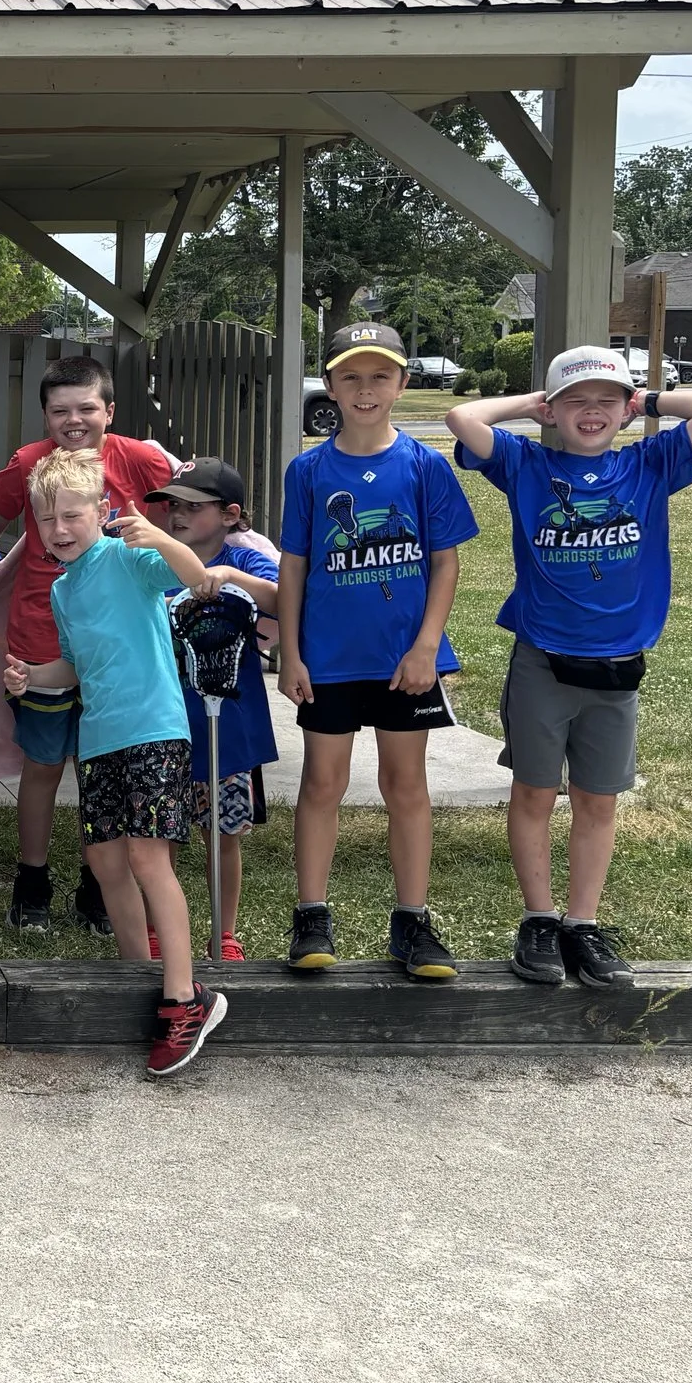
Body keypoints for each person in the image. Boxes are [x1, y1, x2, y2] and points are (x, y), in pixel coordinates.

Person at [446, 347, 692, 989]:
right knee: (533, 791)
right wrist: (533, 407)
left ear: (627, 410)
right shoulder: (528, 465)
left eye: (607, 400)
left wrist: (649, 403)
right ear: (553, 411)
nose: (592, 412)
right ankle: (540, 919)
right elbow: (463, 417)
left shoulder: (649, 464)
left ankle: (583, 922)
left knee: (597, 799)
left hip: (616, 669)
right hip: (542, 662)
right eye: (576, 400)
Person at [3, 449, 226, 1078]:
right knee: (104, 859)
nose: (60, 529)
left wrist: (156, 533)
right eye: (46, 520)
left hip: (155, 728)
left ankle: (184, 998)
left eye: (72, 515)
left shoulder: (130, 558)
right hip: (99, 738)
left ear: (101, 511)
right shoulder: (63, 589)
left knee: (147, 857)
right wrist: (29, 678)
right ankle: (139, 975)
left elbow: (193, 576)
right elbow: (71, 666)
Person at [277, 322, 478, 982]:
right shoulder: (308, 471)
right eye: (351, 376)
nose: (366, 389)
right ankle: (312, 915)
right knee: (322, 783)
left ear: (403, 382)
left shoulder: (424, 465)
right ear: (330, 384)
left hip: (403, 660)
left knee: (406, 786)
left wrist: (427, 645)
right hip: (331, 657)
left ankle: (412, 921)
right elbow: (296, 566)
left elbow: (444, 564)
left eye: (380, 375)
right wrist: (293, 652)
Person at [0, 356, 177, 934]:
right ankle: (33, 881)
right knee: (43, 767)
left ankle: (99, 886)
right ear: (44, 415)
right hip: (41, 642)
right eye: (60, 410)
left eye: (87, 408)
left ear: (110, 411)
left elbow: (185, 520)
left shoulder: (140, 458)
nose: (74, 420)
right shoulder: (28, 465)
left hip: (118, 661)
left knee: (98, 770)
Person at [149, 457, 280, 962]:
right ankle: (161, 927)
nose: (178, 515)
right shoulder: (154, 562)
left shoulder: (245, 562)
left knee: (223, 833)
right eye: (172, 505)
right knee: (164, 831)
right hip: (163, 719)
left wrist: (225, 575)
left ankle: (223, 932)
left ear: (230, 514)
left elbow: (284, 598)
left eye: (193, 506)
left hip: (229, 723)